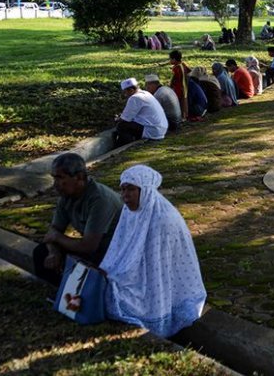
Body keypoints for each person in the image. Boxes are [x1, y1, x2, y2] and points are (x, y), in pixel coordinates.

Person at [99, 165, 207, 338]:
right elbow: (120, 246)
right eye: (123, 189)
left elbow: (155, 267)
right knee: (104, 283)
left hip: (156, 281)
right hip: (137, 270)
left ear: (145, 190)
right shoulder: (129, 211)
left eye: (131, 189)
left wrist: (120, 277)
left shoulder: (162, 220)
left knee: (118, 294)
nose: (125, 195)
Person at [33, 153, 122, 287]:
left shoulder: (100, 200)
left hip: (111, 255)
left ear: (79, 177)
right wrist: (54, 252)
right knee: (42, 252)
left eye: (60, 178)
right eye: (54, 178)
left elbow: (88, 246)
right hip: (91, 250)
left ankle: (76, 295)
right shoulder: (66, 196)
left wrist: (57, 237)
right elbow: (53, 231)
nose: (55, 184)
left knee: (82, 267)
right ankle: (60, 292)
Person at [114, 78, 168, 147]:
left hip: (153, 130)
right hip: (161, 129)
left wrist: (117, 119)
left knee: (122, 126)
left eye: (125, 92)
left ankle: (125, 145)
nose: (125, 95)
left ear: (131, 90)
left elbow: (125, 119)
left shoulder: (135, 98)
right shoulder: (146, 93)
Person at [168, 50, 190, 120]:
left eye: (170, 59)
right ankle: (185, 116)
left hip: (178, 87)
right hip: (185, 86)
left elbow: (172, 80)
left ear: (174, 59)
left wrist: (169, 87)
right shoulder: (183, 64)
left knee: (179, 101)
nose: (170, 61)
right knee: (184, 100)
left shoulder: (176, 68)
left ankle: (181, 117)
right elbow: (190, 71)